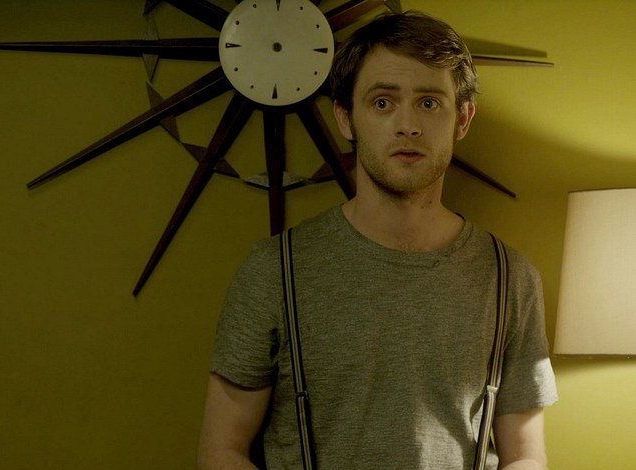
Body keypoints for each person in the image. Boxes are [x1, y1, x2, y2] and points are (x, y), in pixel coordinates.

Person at [196, 10, 558, 470]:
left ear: (462, 119)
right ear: (346, 118)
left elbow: (525, 455)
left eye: (429, 103)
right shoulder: (275, 270)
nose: (408, 125)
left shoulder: (512, 279)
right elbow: (221, 451)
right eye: (383, 102)